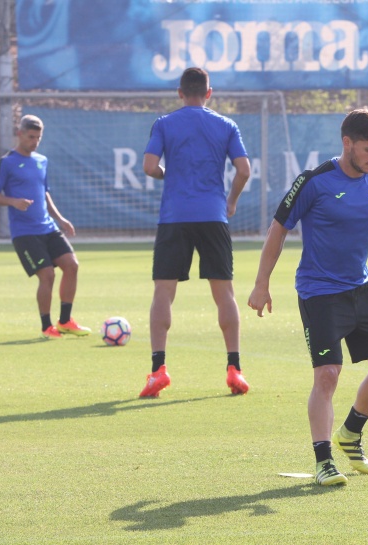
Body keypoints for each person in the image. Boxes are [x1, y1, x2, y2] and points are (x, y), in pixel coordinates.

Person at [248, 109, 368, 486]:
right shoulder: (314, 181)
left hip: (360, 289)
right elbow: (278, 229)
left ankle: (351, 432)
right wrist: (262, 283)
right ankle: (323, 461)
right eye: (367, 150)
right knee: (328, 374)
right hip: (320, 293)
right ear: (347, 143)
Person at [138, 67, 251, 398]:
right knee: (224, 293)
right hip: (213, 216)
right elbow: (244, 170)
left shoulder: (164, 123)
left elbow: (149, 167)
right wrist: (231, 202)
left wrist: (166, 174)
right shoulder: (226, 125)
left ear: (180, 93)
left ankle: (158, 370)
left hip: (174, 218)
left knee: (163, 292)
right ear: (209, 93)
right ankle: (235, 369)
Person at [0, 114, 91, 339]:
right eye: (31, 137)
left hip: (48, 227)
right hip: (25, 233)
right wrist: (13, 201)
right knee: (47, 275)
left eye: (38, 138)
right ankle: (46, 327)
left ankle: (65, 321)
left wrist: (60, 219)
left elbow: (44, 193)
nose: (34, 142)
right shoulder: (6, 162)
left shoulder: (42, 160)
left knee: (72, 266)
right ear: (20, 134)